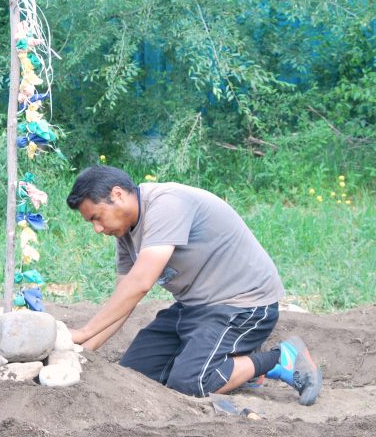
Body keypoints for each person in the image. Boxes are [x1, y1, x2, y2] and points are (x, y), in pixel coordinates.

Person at [66, 165, 323, 405]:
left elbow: (141, 283)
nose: (97, 229)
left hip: (243, 305)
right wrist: (83, 352)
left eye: (96, 217)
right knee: (134, 374)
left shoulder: (166, 204)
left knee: (189, 384)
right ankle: (238, 365)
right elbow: (124, 297)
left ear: (118, 194)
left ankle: (279, 360)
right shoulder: (124, 233)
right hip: (194, 308)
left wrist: (85, 331)